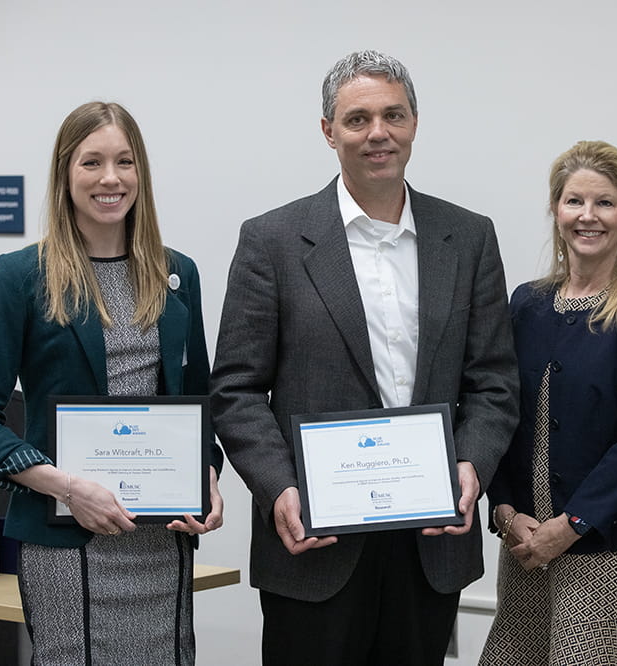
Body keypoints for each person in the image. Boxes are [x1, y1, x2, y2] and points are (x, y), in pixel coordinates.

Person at [209, 49, 519, 666]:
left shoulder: (468, 236)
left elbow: (494, 382)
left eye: (393, 115)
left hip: (430, 541)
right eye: (357, 120)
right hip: (314, 541)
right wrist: (278, 489)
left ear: (414, 123)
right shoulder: (271, 241)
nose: (378, 133)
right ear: (329, 132)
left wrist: (471, 466)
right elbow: (236, 391)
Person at [0, 101, 225, 665]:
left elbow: (199, 407)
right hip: (65, 538)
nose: (110, 178)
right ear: (64, 173)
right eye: (91, 162)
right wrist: (68, 488)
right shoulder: (21, 276)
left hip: (160, 539)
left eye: (125, 162)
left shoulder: (179, 275)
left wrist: (207, 477)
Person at [481, 140, 617, 664]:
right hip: (528, 545)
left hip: (615, 549)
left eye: (605, 203)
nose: (587, 216)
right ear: (555, 210)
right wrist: (504, 508)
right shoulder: (526, 303)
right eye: (574, 201)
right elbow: (498, 409)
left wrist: (572, 525)